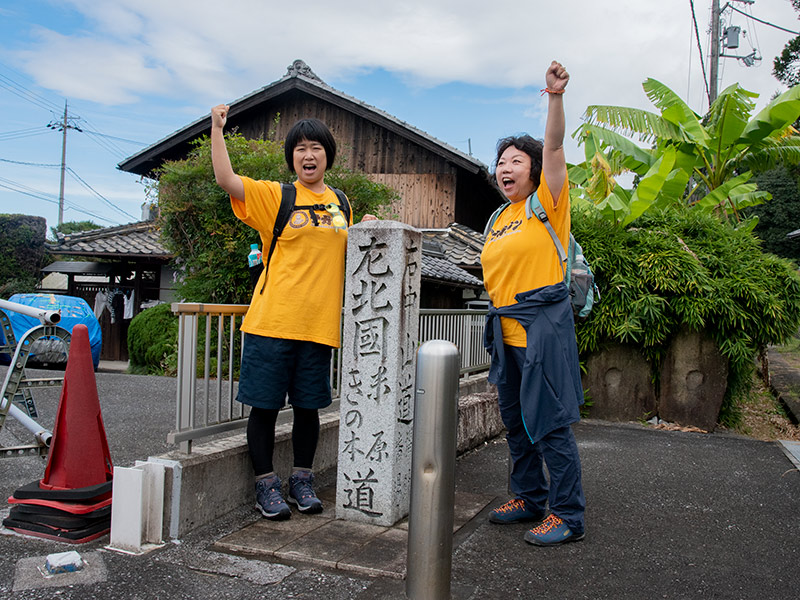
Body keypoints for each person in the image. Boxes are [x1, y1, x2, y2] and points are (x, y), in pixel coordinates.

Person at [211, 104, 375, 520]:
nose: (308, 155)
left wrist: (368, 225)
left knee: (308, 409)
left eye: (316, 148)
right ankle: (265, 485)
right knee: (264, 409)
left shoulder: (341, 204)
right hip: (272, 323)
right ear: (292, 157)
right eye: (300, 148)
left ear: (328, 155)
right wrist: (217, 129)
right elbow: (225, 179)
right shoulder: (276, 196)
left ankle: (302, 480)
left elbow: (350, 250)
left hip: (318, 327)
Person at [480, 61, 586, 546]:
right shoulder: (499, 217)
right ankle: (527, 496)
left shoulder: (549, 201)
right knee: (517, 423)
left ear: (535, 170)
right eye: (501, 160)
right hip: (505, 333)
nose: (506, 166)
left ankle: (567, 514)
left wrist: (556, 97)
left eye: (516, 160)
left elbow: (557, 146)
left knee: (550, 425)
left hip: (541, 328)